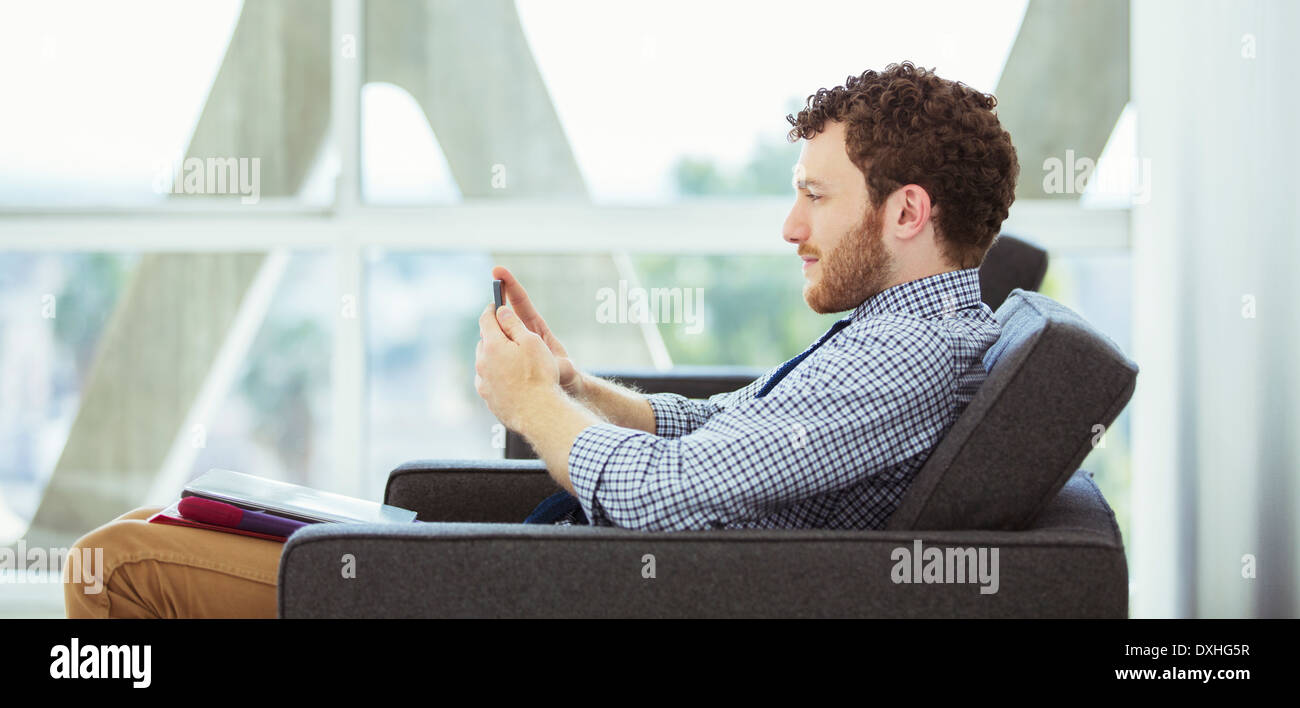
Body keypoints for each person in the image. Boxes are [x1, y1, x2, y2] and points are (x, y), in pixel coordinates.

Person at [65, 61, 1019, 618]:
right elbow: (719, 429)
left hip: (544, 590)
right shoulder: (906, 338)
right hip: (546, 568)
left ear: (907, 211)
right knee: (169, 531)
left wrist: (531, 406)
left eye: (815, 197)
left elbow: (658, 498)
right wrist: (573, 384)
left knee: (115, 563)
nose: (790, 227)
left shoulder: (904, 361)